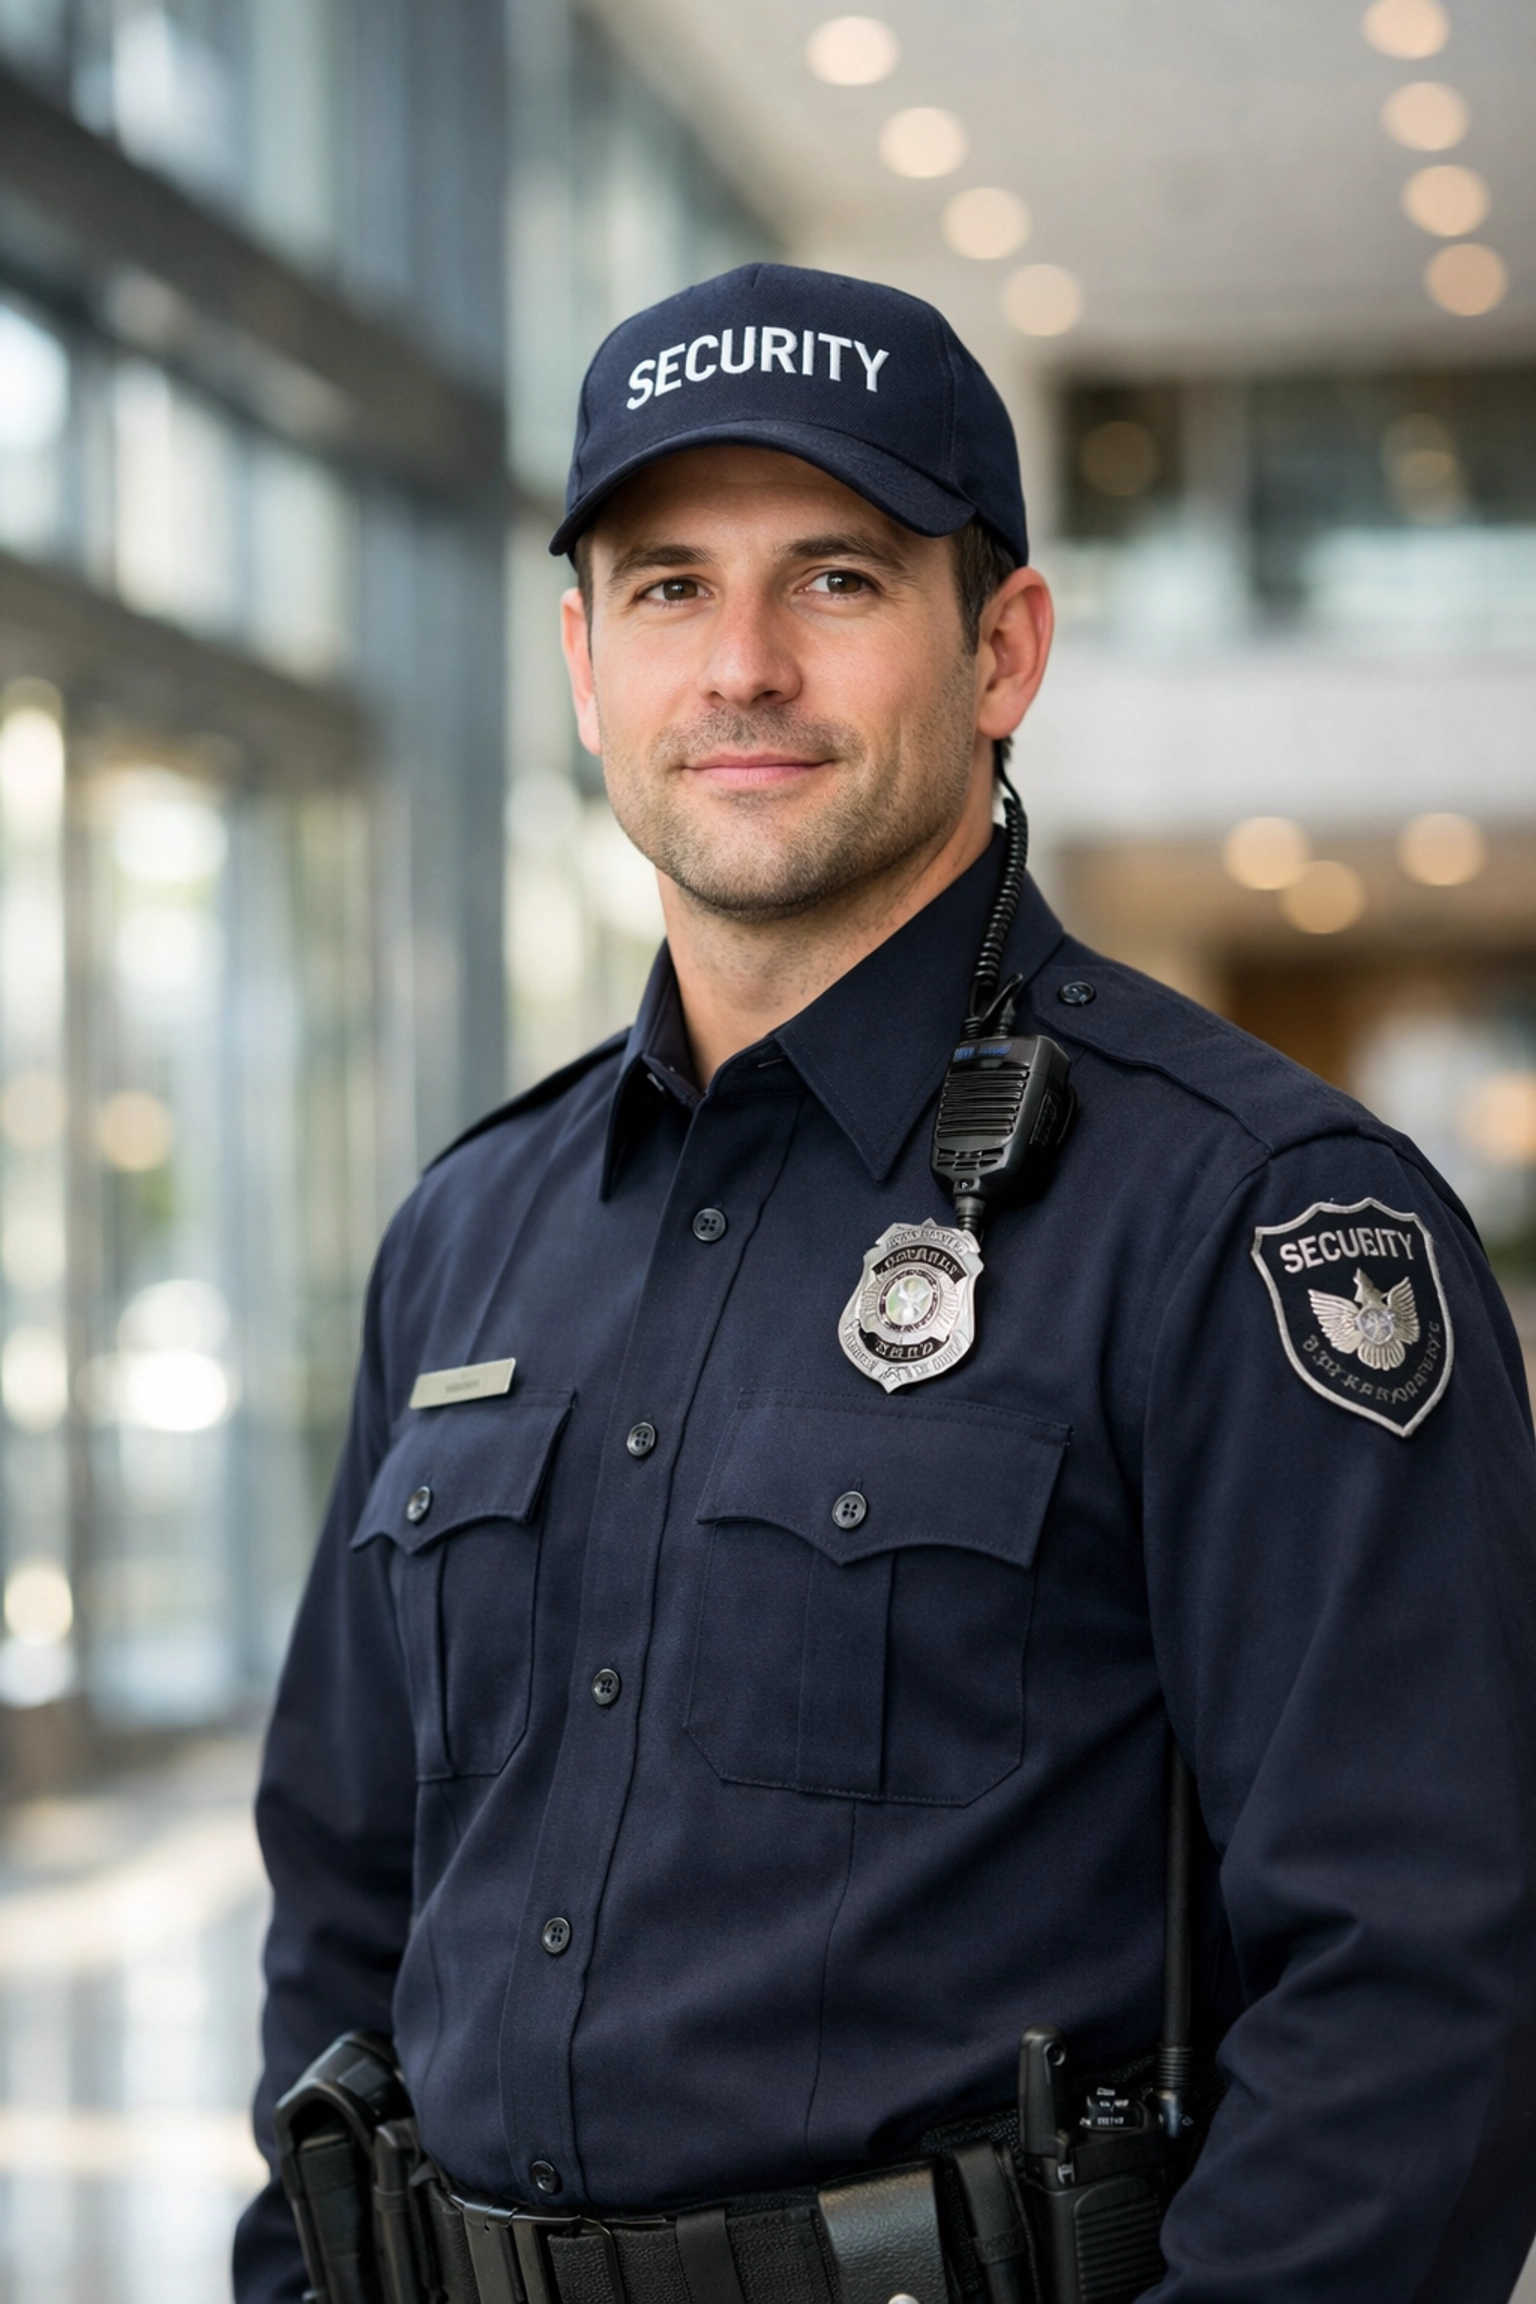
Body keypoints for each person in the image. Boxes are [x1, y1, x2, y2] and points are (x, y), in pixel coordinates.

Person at [234, 264, 1536, 2304]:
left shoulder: (1251, 1216)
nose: (740, 664)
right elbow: (339, 1904)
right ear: (585, 665)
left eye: (834, 580)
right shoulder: (469, 1231)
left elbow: (1432, 1976)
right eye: (668, 588)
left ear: (1002, 646)